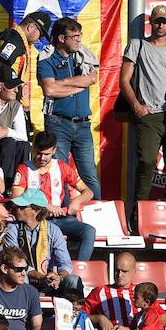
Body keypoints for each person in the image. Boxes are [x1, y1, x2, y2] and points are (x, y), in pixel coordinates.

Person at [120, 4, 166, 202]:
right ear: (151, 22)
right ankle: (138, 216)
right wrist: (136, 105)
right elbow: (124, 81)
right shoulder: (137, 45)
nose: (160, 25)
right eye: (157, 21)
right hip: (149, 115)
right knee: (147, 162)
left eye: (164, 21)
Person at [38, 17, 101, 199]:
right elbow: (49, 89)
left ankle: (97, 215)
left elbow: (91, 79)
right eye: (74, 37)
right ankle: (65, 217)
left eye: (80, 36)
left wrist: (63, 83)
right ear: (61, 38)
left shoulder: (83, 56)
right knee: (61, 173)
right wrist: (78, 85)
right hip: (58, 123)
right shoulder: (46, 58)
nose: (78, 41)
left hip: (82, 125)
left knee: (89, 174)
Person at [11, 131, 95, 262]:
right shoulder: (24, 169)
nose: (42, 158)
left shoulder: (61, 167)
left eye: (47, 154)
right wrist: (46, 206)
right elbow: (15, 198)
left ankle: (78, 273)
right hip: (36, 220)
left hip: (60, 219)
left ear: (54, 150)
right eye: (39, 153)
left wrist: (76, 201)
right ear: (33, 148)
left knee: (89, 231)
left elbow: (88, 192)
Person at [0, 11, 51, 121]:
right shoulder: (16, 42)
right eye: (40, 34)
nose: (39, 39)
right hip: (5, 106)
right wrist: (16, 94)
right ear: (31, 26)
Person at [3, 189, 76, 293]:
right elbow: (15, 261)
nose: (17, 209)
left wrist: (59, 277)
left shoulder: (53, 230)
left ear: (36, 211)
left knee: (73, 280)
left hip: (48, 279)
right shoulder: (12, 229)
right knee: (22, 278)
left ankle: (74, 309)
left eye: (22, 207)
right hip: (24, 276)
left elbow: (65, 263)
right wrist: (41, 277)